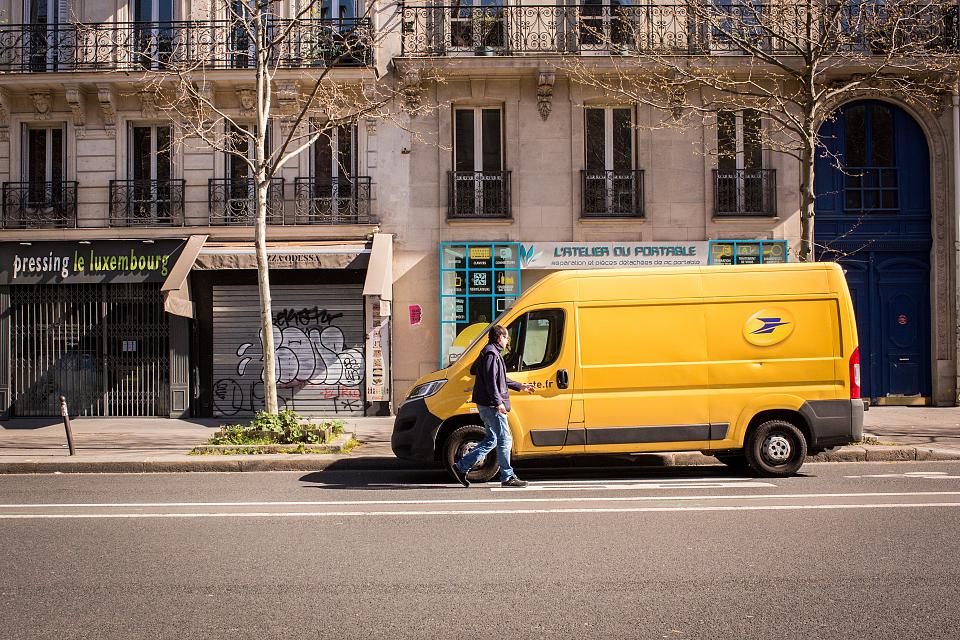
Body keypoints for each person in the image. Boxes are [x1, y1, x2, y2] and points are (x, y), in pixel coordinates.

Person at [451, 324, 535, 488]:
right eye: (506, 337)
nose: (507, 340)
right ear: (499, 337)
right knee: (505, 439)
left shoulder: (493, 353)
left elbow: (501, 379)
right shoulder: (491, 354)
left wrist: (520, 386)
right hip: (491, 406)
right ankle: (507, 476)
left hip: (489, 404)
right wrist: (498, 403)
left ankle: (461, 467)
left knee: (492, 439)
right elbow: (490, 382)